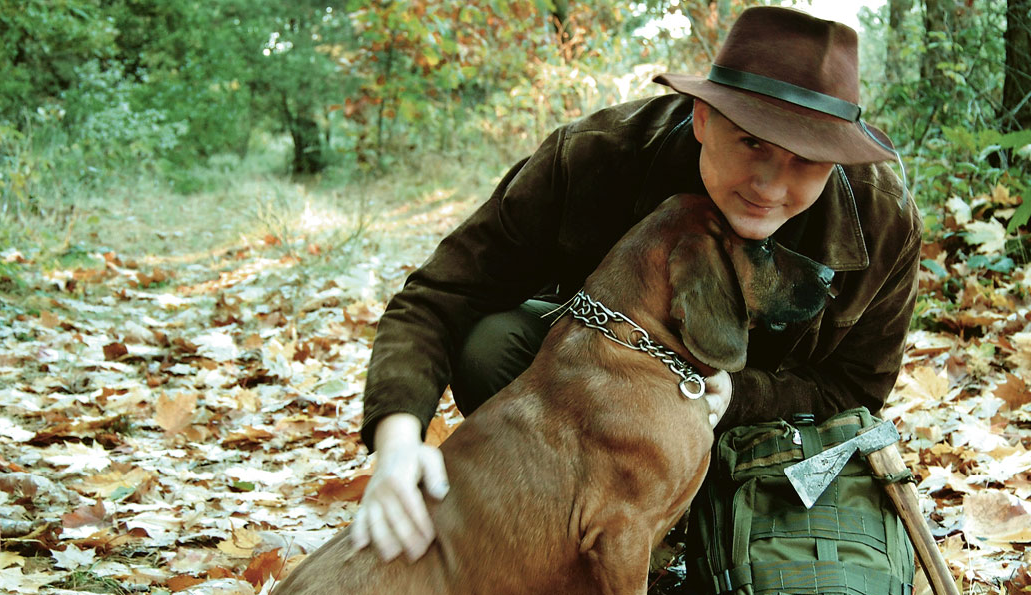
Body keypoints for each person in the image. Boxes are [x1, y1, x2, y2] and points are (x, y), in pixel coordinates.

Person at [352, 5, 922, 562]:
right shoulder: (594, 156)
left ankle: (694, 532)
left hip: (748, 438)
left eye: (806, 160)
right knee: (491, 345)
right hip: (601, 409)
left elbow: (856, 390)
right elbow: (441, 294)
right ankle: (561, 528)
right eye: (753, 143)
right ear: (702, 118)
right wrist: (399, 442)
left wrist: (737, 396)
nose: (770, 185)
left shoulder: (883, 222)